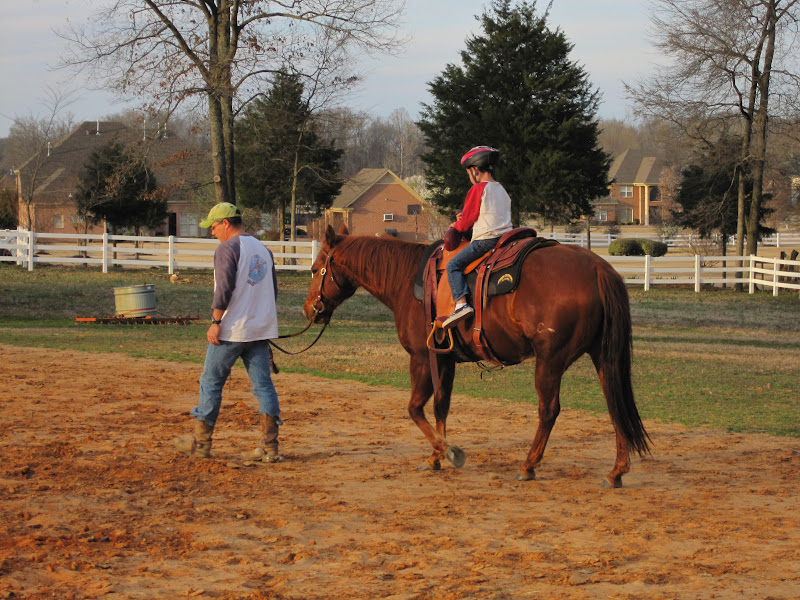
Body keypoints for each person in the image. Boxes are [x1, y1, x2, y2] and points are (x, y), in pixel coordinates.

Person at [173, 202, 283, 462]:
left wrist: (215, 320)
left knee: (211, 382)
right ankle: (270, 448)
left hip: (232, 330)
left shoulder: (227, 249)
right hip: (259, 330)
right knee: (263, 386)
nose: (212, 232)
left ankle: (202, 445)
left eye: (213, 227)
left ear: (226, 223)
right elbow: (273, 290)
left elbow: (224, 288)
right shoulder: (263, 249)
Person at [442, 146, 513, 328]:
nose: (469, 176)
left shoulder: (478, 188)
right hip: (506, 238)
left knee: (453, 265)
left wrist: (455, 225)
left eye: (468, 172)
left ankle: (461, 304)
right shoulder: (501, 189)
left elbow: (466, 222)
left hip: (486, 240)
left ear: (475, 169)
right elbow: (489, 215)